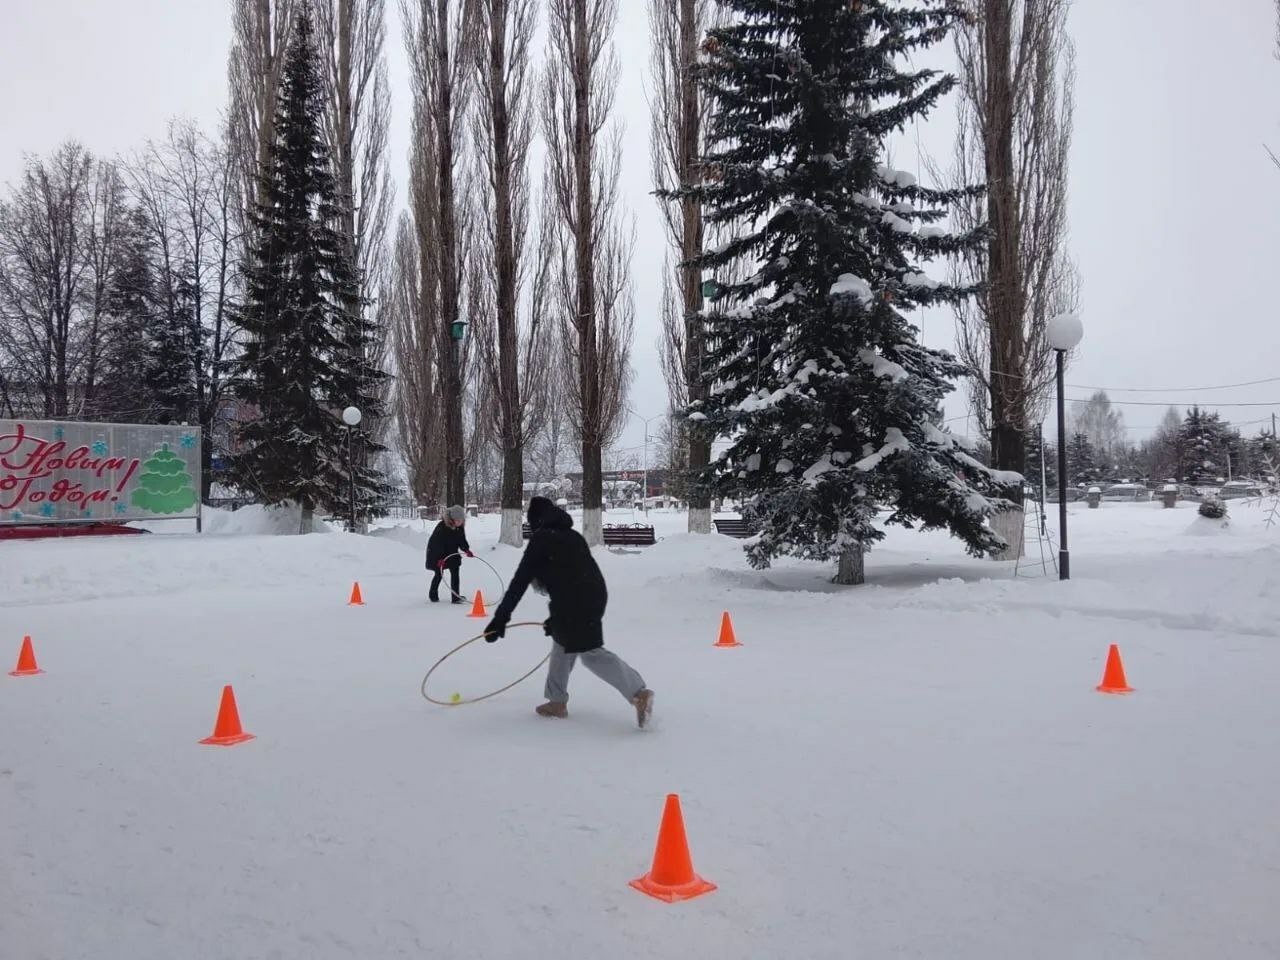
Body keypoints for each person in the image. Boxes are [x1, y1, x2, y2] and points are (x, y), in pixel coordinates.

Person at [484, 496, 654, 728]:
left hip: (577, 600)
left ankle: (638, 693)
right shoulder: (572, 536)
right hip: (592, 596)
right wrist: (556, 618)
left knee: (590, 652)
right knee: (562, 643)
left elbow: (520, 581)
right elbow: (569, 577)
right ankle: (556, 701)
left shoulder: (542, 539)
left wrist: (500, 619)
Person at [426, 505, 473, 604]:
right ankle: (433, 594)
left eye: (461, 520)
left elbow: (461, 540)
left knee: (455, 572)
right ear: (452, 519)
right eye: (458, 520)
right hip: (437, 554)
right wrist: (439, 558)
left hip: (452, 553)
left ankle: (455, 597)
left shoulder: (459, 528)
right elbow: (436, 544)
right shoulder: (442, 527)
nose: (460, 522)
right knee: (439, 574)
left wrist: (466, 550)